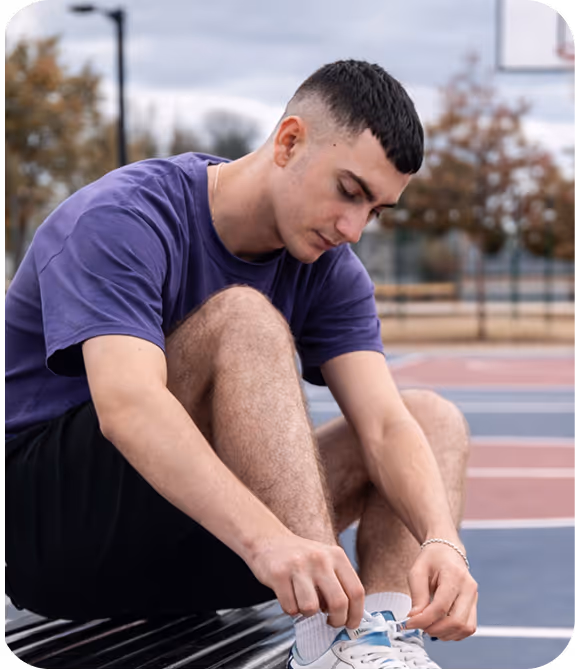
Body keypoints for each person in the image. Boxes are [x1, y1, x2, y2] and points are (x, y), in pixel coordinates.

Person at [5, 59, 477, 669]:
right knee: (244, 320)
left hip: (207, 542)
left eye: (377, 211)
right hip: (57, 539)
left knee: (430, 418)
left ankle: (371, 648)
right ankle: (323, 631)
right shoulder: (125, 218)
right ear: (288, 142)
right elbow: (127, 407)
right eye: (350, 192)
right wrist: (271, 539)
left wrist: (444, 542)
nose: (355, 228)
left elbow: (385, 426)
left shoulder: (330, 269)